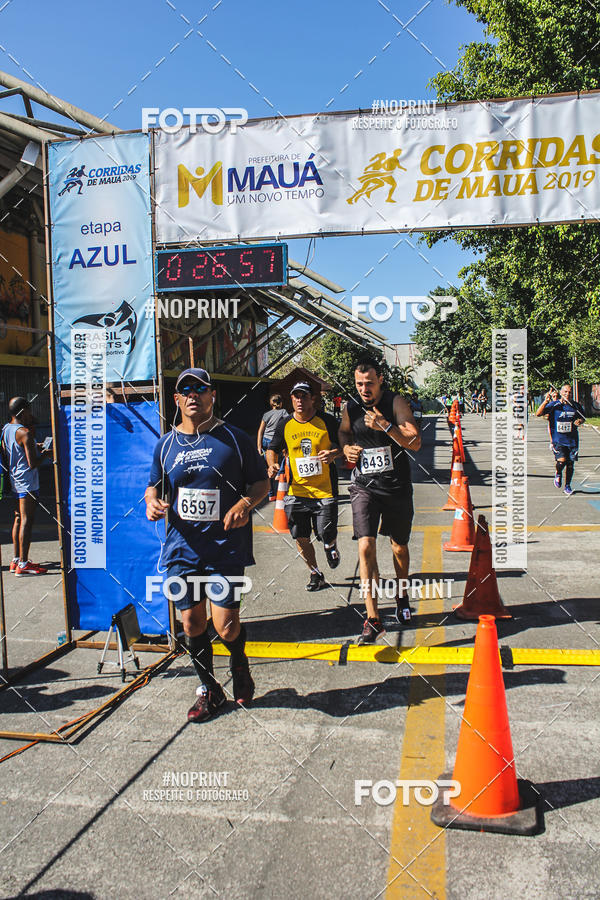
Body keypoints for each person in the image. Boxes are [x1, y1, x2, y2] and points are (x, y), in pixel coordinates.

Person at [145, 368, 269, 723]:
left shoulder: (234, 438)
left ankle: (240, 665)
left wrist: (244, 504)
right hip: (183, 548)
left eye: (200, 389)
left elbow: (260, 483)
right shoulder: (165, 445)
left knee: (226, 625)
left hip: (225, 547)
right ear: (176, 399)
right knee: (191, 624)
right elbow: (154, 486)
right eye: (186, 389)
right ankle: (210, 690)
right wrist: (151, 501)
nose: (193, 395)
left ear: (212, 395)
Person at [338, 359, 421, 644]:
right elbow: (344, 432)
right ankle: (373, 619)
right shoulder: (350, 407)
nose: (364, 389)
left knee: (399, 546)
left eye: (369, 383)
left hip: (396, 487)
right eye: (359, 384)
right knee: (365, 546)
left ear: (380, 380)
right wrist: (345, 448)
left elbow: (415, 442)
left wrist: (385, 426)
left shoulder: (395, 403)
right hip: (364, 486)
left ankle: (402, 594)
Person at [266, 381, 342, 591]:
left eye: (304, 396)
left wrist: (333, 453)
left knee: (324, 532)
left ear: (312, 399)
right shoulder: (285, 424)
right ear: (291, 399)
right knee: (301, 536)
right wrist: (272, 464)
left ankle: (330, 544)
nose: (299, 400)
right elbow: (272, 448)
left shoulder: (327, 421)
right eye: (296, 396)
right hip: (296, 491)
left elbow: (344, 446)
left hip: (325, 490)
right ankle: (315, 574)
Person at [1, 397, 51, 575]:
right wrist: (46, 453)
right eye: (29, 411)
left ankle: (16, 559)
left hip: (14, 478)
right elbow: (33, 463)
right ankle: (23, 564)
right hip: (27, 482)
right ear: (23, 412)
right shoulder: (25, 432)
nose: (31, 415)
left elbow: (13, 449)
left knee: (18, 519)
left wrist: (34, 445)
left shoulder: (6, 429)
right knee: (26, 520)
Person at [535, 383, 585, 495]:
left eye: (570, 392)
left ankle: (568, 486)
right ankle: (558, 473)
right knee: (561, 461)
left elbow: (582, 417)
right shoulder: (555, 405)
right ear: (561, 392)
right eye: (565, 392)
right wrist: (545, 401)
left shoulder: (576, 406)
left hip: (572, 440)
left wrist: (580, 421)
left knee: (570, 464)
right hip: (558, 439)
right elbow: (538, 414)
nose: (567, 394)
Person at [256, 394, 289, 500]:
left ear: (271, 403)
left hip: (265, 441)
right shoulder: (283, 412)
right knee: (282, 462)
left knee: (269, 468)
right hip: (276, 441)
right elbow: (289, 424)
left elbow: (260, 431)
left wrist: (259, 446)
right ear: (281, 403)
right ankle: (281, 477)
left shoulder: (266, 414)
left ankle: (271, 494)